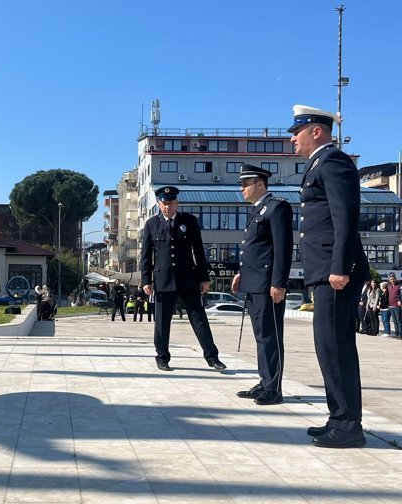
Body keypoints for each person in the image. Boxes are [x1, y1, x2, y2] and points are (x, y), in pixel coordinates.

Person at [288, 104, 368, 448]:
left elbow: (345, 216)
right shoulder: (318, 164)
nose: (292, 138)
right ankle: (339, 417)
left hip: (335, 272)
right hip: (324, 270)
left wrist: (339, 267)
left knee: (336, 348)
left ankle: (348, 426)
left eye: (297, 132)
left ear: (316, 131)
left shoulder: (333, 162)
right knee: (328, 347)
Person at [140, 185, 226, 372]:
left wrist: (204, 277)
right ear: (158, 203)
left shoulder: (189, 221)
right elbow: (146, 255)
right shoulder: (151, 224)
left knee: (199, 319)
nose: (167, 207)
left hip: (188, 278)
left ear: (177, 203)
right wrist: (146, 280)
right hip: (163, 280)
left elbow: (199, 250)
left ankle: (212, 358)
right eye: (164, 203)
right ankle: (162, 357)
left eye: (171, 203)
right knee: (162, 323)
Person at [231, 164, 292, 406]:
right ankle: (265, 381)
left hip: (268, 284)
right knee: (260, 336)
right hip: (253, 282)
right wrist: (240, 273)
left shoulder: (277, 208)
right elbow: (255, 249)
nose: (242, 188)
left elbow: (283, 248)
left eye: (246, 184)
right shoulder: (256, 210)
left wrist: (279, 282)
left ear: (260, 184)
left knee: (271, 336)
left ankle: (274, 388)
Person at [386, 273, 402, 339]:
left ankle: (400, 334)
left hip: (397, 305)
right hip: (391, 305)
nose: (392, 280)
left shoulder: (399, 286)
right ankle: (396, 333)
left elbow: (401, 295)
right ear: (389, 280)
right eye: (391, 279)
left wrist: (400, 301)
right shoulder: (389, 287)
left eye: (393, 279)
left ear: (395, 279)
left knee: (399, 320)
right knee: (394, 321)